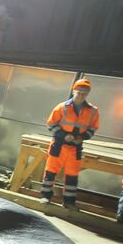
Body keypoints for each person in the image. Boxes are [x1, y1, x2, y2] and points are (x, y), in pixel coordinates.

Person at [40, 77, 100, 207]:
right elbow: (51, 123)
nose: (81, 95)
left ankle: (68, 202)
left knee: (72, 175)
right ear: (74, 91)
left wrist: (82, 137)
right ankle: (46, 196)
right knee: (50, 171)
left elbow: (93, 128)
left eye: (84, 93)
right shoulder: (62, 107)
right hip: (59, 144)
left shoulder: (93, 111)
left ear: (88, 94)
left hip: (76, 147)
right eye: (79, 92)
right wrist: (63, 135)